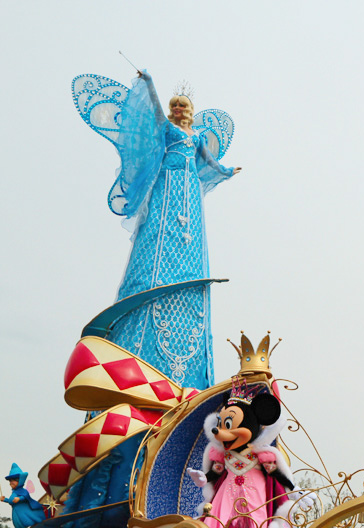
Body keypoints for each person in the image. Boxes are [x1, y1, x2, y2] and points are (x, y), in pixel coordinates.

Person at [72, 70, 241, 389]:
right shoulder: (165, 128)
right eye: (174, 105)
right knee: (159, 238)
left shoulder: (196, 137)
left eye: (182, 106)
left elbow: (208, 162)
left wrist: (227, 171)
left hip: (190, 189)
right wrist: (148, 84)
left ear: (189, 111)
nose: (178, 109)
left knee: (191, 241)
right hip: (167, 184)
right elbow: (152, 109)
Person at [0, 464, 45, 528]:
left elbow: (26, 496)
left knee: (28, 520)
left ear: (19, 480)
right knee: (23, 523)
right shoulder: (14, 492)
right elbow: (11, 501)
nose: (11, 482)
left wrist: (19, 499)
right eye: (10, 481)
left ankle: (32, 526)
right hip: (18, 512)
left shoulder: (23, 491)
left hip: (24, 512)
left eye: (13, 480)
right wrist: (4, 499)